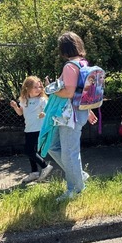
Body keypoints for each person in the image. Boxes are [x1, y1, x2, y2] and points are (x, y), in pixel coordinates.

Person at [45, 32, 98, 201]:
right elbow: (80, 91)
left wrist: (50, 89)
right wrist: (88, 111)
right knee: (53, 146)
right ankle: (79, 175)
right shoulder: (83, 63)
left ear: (64, 49)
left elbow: (68, 92)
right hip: (78, 112)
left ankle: (74, 189)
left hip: (69, 116)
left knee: (69, 153)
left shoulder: (69, 66)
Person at [10, 76, 54, 183]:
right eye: (35, 87)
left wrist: (44, 114)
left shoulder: (42, 100)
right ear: (27, 88)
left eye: (40, 87)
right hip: (29, 129)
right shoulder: (24, 100)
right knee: (33, 152)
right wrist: (16, 107)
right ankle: (34, 172)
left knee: (28, 150)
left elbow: (48, 111)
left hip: (38, 129)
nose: (39, 89)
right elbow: (20, 113)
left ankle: (45, 166)